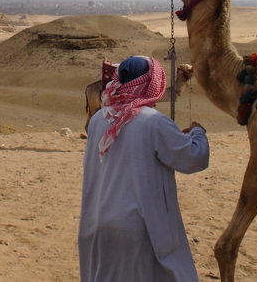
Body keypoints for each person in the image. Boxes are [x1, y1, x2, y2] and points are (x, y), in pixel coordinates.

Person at [79, 56, 210, 282]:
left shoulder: (99, 119)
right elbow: (192, 158)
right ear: (153, 82)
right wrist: (198, 134)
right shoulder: (153, 121)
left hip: (96, 224)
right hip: (138, 227)